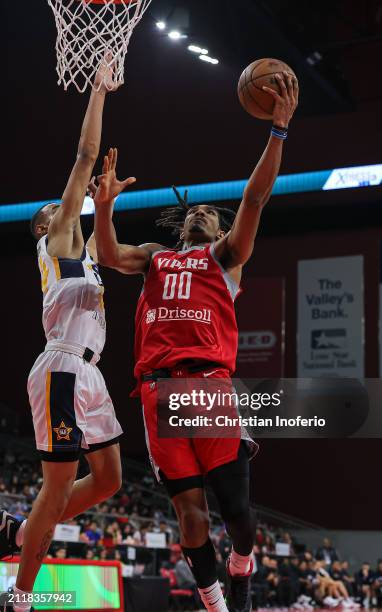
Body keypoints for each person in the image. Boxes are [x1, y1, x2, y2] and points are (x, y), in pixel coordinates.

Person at [93, 73, 298, 612]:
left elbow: (253, 200)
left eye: (211, 210)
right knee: (190, 518)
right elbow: (110, 256)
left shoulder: (225, 258)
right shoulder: (156, 257)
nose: (202, 212)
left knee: (236, 512)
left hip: (207, 388)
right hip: (157, 393)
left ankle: (242, 562)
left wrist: (277, 132)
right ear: (184, 226)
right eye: (196, 211)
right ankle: (218, 604)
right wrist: (107, 207)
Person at [0, 60, 124, 612]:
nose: (63, 203)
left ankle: (22, 531)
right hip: (62, 366)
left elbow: (106, 247)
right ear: (45, 227)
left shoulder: (81, 252)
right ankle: (20, 597)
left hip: (89, 372)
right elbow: (84, 157)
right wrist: (98, 91)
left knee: (109, 482)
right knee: (57, 487)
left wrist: (109, 204)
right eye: (57, 207)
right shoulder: (57, 242)